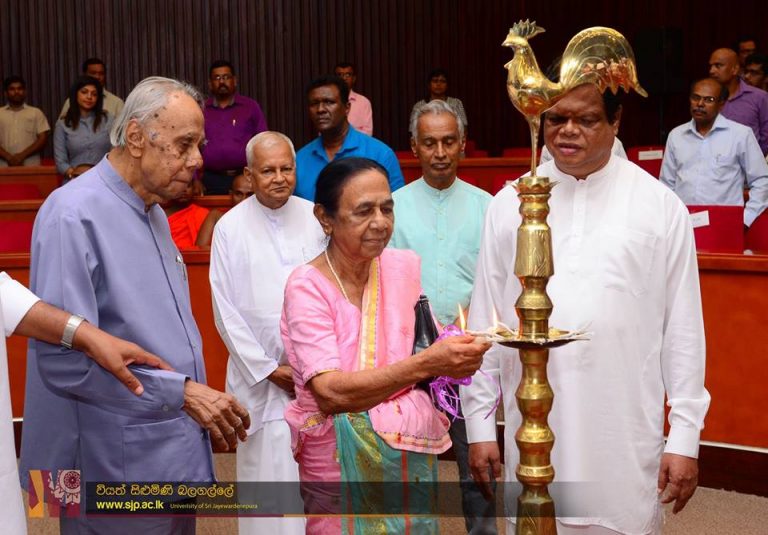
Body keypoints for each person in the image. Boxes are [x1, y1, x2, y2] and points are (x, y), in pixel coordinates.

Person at [463, 83, 710, 535]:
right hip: (532, 431)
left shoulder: (659, 207)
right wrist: (479, 427)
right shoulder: (510, 203)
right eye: (556, 119)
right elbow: (487, 322)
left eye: (586, 119)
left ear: (616, 121)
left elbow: (683, 332)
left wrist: (684, 436)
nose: (568, 131)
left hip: (623, 434)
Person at [20, 76, 251, 534]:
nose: (198, 160)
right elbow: (64, 362)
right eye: (184, 145)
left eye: (199, 145)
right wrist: (183, 392)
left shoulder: (155, 212)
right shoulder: (72, 213)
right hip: (112, 461)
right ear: (137, 137)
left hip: (170, 451)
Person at [280, 157, 490, 534]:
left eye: (387, 209)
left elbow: (424, 341)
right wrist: (430, 363)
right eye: (364, 211)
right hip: (335, 457)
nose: (380, 222)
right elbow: (329, 392)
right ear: (325, 218)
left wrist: (457, 350)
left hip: (404, 451)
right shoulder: (307, 287)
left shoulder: (400, 268)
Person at [210, 131, 326, 535]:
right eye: (268, 170)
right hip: (258, 378)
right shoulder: (229, 227)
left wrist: (314, 365)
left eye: (286, 169)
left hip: (313, 375)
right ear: (249, 174)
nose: (279, 178)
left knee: (314, 479)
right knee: (263, 483)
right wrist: (268, 369)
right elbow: (224, 311)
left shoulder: (316, 217)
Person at [389, 99, 495, 533]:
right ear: (414, 146)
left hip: (471, 356)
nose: (439, 152)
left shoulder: (489, 207)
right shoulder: (391, 208)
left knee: (479, 463)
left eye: (448, 141)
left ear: (463, 144)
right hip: (409, 356)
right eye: (429, 142)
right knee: (410, 464)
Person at [1, 272, 170, 534]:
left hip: (120, 429)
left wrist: (86, 335)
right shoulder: (63, 241)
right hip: (86, 430)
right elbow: (63, 362)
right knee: (80, 500)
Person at [660, 78, 768, 227]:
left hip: (725, 223)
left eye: (709, 100)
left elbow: (762, 180)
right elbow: (666, 184)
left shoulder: (740, 135)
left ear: (721, 104)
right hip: (684, 222)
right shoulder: (676, 135)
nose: (700, 104)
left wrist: (746, 218)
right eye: (696, 97)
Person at [294, 76, 404, 201]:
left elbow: (398, 206)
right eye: (314, 104)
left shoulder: (380, 154)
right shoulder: (299, 159)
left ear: (347, 108)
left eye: (329, 102)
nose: (320, 109)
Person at [202, 60, 268, 195]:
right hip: (210, 179)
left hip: (244, 178)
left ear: (235, 81)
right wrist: (195, 179)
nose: (222, 81)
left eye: (226, 77)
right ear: (210, 83)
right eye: (217, 78)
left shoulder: (250, 107)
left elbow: (262, 141)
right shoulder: (201, 109)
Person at [709, 47, 768, 155]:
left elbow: (766, 136)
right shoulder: (706, 97)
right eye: (711, 66)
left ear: (735, 69)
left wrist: (755, 159)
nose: (711, 71)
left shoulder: (759, 97)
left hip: (749, 163)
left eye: (718, 65)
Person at [53, 76, 114, 181]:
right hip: (74, 180)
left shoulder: (108, 119)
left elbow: (116, 152)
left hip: (104, 180)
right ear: (75, 94)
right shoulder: (63, 124)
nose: (89, 97)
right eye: (84, 92)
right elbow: (60, 161)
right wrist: (74, 175)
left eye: (94, 94)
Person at [0, 75, 50, 167]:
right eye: (12, 89)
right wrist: (8, 157)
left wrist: (22, 155)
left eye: (20, 88)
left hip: (31, 166)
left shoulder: (36, 112)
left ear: (25, 92)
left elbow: (43, 139)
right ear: (6, 93)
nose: (16, 92)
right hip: (3, 167)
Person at [164, 178, 222, 249]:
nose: (184, 190)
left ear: (194, 189)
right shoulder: (162, 214)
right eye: (179, 186)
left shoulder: (203, 213)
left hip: (197, 254)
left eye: (188, 186)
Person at [58, 58, 124, 119]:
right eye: (93, 73)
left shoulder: (117, 103)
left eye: (101, 73)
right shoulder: (72, 101)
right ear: (85, 75)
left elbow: (123, 127)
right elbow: (63, 123)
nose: (97, 77)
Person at [410, 68, 468, 135]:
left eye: (443, 81)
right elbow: (412, 130)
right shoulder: (419, 106)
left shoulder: (456, 103)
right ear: (429, 85)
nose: (438, 84)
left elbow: (464, 128)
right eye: (435, 81)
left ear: (447, 85)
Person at [334, 62, 373, 135]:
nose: (344, 78)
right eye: (339, 75)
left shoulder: (364, 102)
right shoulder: (327, 101)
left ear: (354, 78)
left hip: (358, 142)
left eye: (348, 75)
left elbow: (367, 133)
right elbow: (324, 130)